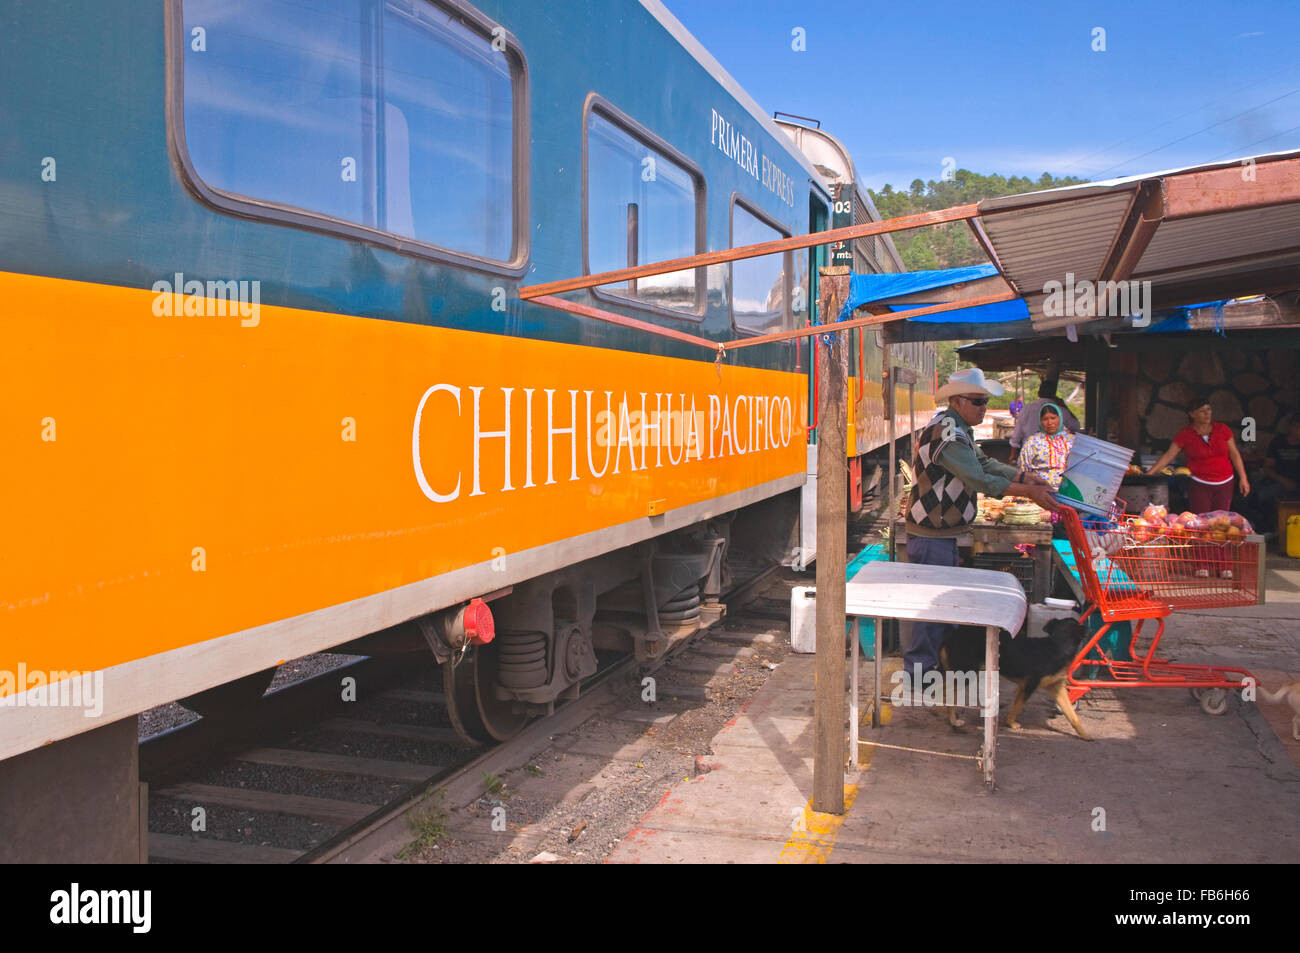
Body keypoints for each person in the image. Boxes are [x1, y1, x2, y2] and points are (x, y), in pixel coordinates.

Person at [903, 368, 1059, 682]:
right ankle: (919, 675)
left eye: (985, 401)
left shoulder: (956, 427)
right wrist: (1028, 490)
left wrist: (1024, 477)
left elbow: (984, 464)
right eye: (978, 401)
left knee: (940, 609)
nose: (983, 408)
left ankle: (933, 670)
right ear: (958, 401)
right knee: (932, 612)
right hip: (932, 533)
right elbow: (978, 478)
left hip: (942, 531)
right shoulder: (948, 433)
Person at [1146, 396, 1250, 512]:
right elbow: (1169, 456)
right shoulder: (1185, 434)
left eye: (1208, 409)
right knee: (1201, 522)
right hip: (1199, 484)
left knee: (1221, 520)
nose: (1207, 414)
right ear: (1192, 414)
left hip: (1225, 482)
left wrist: (1243, 478)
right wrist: (1148, 475)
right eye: (1202, 411)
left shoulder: (1222, 429)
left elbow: (1234, 454)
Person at [1009, 378, 1080, 458]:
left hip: (1031, 455)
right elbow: (1076, 426)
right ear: (1054, 394)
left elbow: (1016, 436)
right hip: (1053, 456)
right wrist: (1064, 406)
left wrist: (1012, 456)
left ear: (1038, 393)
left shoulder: (1027, 409)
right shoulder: (1061, 410)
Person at [1018, 401, 1075, 491]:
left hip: (1068, 491)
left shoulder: (1072, 441)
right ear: (1040, 421)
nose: (1049, 422)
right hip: (1040, 491)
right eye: (1045, 419)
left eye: (1053, 418)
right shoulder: (1033, 441)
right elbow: (1023, 468)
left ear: (1060, 418)